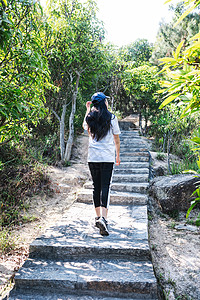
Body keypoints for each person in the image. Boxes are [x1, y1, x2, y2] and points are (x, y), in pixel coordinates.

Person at [82, 92, 121, 236]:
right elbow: (116, 139)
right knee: (105, 187)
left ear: (93, 104)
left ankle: (97, 217)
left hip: (93, 157)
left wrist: (87, 109)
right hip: (107, 157)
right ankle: (104, 218)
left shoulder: (89, 117)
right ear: (104, 102)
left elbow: (85, 127)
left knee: (96, 187)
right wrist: (117, 155)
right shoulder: (111, 118)